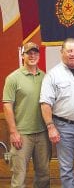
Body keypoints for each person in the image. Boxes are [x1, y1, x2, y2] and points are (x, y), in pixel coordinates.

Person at [40, 38, 74, 188]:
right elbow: (45, 103)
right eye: (69, 51)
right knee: (66, 169)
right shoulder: (53, 75)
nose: (73, 54)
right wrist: (51, 127)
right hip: (63, 127)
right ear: (62, 52)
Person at [2, 42, 51, 188]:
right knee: (19, 177)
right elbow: (7, 105)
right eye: (29, 53)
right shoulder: (13, 78)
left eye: (35, 53)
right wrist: (13, 132)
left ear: (39, 56)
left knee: (43, 175)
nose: (32, 56)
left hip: (42, 133)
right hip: (22, 134)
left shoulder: (45, 77)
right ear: (23, 55)